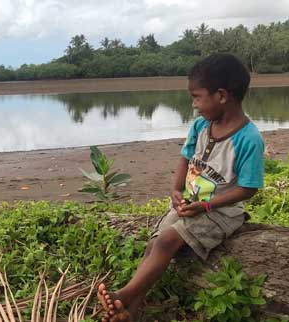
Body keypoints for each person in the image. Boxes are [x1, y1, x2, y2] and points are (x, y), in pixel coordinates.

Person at [96, 53, 265, 322]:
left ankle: (123, 296)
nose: (194, 105)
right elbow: (186, 158)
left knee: (165, 241)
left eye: (197, 97)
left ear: (221, 95)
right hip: (190, 204)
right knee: (154, 245)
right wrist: (176, 190)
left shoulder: (249, 138)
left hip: (221, 212)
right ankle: (131, 310)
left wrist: (208, 205)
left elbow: (248, 188)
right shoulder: (200, 126)